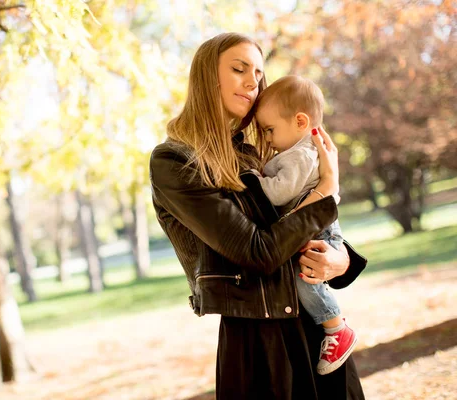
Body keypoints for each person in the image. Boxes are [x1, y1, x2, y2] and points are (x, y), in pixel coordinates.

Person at [149, 32, 367, 399]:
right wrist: (327, 189)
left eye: (258, 73)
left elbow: (301, 228)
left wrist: (341, 259)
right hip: (259, 345)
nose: (253, 81)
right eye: (239, 69)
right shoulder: (175, 162)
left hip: (318, 331)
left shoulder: (255, 153)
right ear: (207, 78)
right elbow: (258, 252)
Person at [254, 75, 357, 376]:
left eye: (270, 130)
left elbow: (278, 192)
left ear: (300, 121)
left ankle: (336, 327)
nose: (268, 139)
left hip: (319, 230)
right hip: (316, 225)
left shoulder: (300, 155)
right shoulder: (300, 151)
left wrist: (254, 181)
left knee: (304, 278)